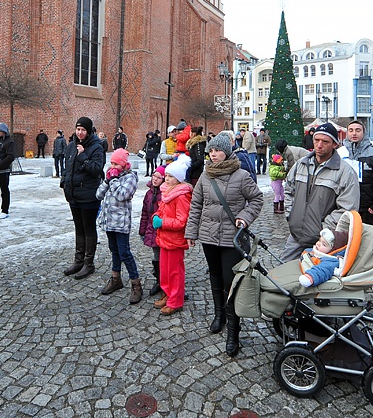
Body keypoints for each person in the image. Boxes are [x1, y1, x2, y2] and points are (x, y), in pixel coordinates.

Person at [185, 133, 263, 356]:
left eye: (217, 151)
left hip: (232, 238)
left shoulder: (241, 175)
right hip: (209, 237)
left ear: (226, 152)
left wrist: (245, 217)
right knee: (215, 277)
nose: (213, 154)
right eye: (210, 151)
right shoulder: (205, 176)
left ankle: (233, 329)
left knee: (231, 282)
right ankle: (219, 315)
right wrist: (191, 232)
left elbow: (257, 199)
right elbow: (196, 205)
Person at [282, 123, 360, 262]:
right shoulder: (301, 164)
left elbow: (347, 208)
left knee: (315, 277)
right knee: (283, 272)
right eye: (316, 140)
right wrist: (291, 214)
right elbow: (288, 189)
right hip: (296, 235)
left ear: (335, 144)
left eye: (325, 142)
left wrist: (324, 229)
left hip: (322, 240)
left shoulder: (345, 172)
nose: (319, 145)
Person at [60, 117, 106, 280]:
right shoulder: (71, 145)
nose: (80, 132)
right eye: (78, 129)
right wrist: (64, 181)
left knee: (88, 228)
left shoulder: (96, 147)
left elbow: (96, 170)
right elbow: (67, 166)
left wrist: (83, 156)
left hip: (88, 196)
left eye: (83, 130)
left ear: (88, 131)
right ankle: (78, 261)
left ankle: (89, 264)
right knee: (78, 228)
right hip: (73, 194)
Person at [96, 148, 142, 303]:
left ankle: (136, 284)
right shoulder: (111, 176)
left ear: (124, 164)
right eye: (112, 163)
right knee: (114, 250)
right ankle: (116, 279)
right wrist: (107, 180)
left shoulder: (130, 177)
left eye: (116, 163)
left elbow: (122, 195)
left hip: (121, 223)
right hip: (109, 221)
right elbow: (98, 195)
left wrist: (114, 180)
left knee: (125, 253)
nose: (113, 166)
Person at [154, 155, 193, 316]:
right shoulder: (166, 192)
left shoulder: (182, 196)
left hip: (175, 239)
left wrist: (162, 222)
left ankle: (175, 300)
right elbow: (161, 211)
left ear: (178, 179)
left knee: (175, 272)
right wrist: (155, 216)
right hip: (164, 238)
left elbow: (181, 221)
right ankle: (167, 293)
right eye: (167, 176)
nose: (166, 178)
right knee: (165, 269)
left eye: (170, 176)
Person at [342, 120, 373, 235]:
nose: (354, 133)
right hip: (344, 207)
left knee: (367, 242)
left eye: (358, 130)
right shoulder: (340, 154)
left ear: (364, 133)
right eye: (351, 130)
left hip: (367, 208)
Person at [139, 166, 165, 296]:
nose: (155, 179)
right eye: (153, 176)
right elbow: (145, 213)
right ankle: (159, 281)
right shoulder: (149, 193)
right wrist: (142, 231)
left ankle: (168, 283)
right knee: (156, 257)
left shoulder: (165, 193)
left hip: (163, 230)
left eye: (158, 177)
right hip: (152, 230)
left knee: (166, 259)